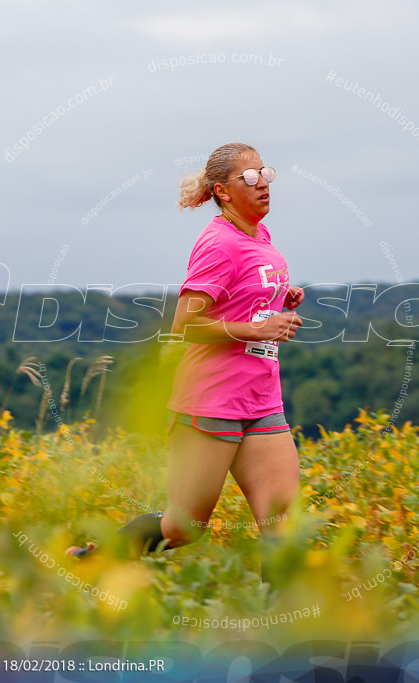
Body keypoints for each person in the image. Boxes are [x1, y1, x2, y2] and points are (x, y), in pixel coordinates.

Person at [69, 143, 304, 565]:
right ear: (223, 191)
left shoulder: (259, 234)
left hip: (262, 399)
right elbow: (186, 324)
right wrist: (257, 327)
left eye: (266, 174)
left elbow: (242, 292)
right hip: (210, 402)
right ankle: (94, 561)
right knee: (184, 529)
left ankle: (275, 627)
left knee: (283, 526)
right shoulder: (218, 244)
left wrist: (277, 296)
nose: (263, 184)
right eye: (250, 178)